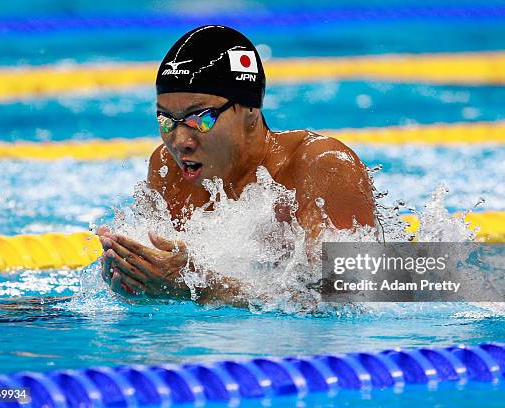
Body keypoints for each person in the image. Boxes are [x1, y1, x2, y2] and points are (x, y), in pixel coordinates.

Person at [98, 25, 375, 305]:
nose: (180, 141)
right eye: (166, 120)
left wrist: (205, 288)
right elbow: (171, 288)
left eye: (200, 118)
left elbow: (368, 293)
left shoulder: (321, 166)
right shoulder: (168, 169)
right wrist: (138, 281)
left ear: (250, 110)